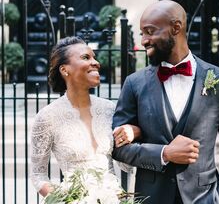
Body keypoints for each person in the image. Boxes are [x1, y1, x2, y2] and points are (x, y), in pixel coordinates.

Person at [112, 0, 219, 204]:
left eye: (150, 31)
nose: (144, 40)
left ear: (176, 28)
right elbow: (117, 147)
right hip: (150, 197)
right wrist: (164, 153)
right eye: (142, 33)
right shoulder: (134, 83)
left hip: (204, 198)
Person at [30, 36, 140, 197]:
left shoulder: (110, 109)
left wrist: (134, 132)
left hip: (114, 198)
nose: (96, 62)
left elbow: (126, 165)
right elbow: (38, 175)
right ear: (64, 70)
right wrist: (66, 200)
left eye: (94, 57)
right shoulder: (47, 117)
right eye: (86, 57)